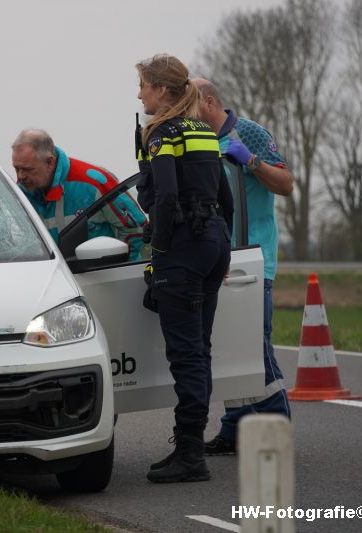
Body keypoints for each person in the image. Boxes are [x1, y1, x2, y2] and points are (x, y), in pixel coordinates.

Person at [135, 54, 233, 483]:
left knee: (186, 354)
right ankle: (191, 445)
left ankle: (190, 455)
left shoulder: (160, 132)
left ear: (160, 89)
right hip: (213, 243)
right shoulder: (203, 130)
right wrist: (223, 250)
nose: (139, 94)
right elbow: (224, 198)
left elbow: (167, 197)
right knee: (201, 351)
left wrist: (158, 251)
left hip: (184, 248)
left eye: (142, 86)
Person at [192, 78, 293, 456]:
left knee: (254, 345)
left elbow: (285, 184)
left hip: (253, 261)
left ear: (210, 101)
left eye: (190, 103)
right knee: (229, 350)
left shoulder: (248, 132)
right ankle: (235, 429)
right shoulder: (198, 139)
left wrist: (251, 161)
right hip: (218, 260)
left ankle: (276, 430)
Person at [11, 129, 145, 258]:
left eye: (27, 169)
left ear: (49, 162)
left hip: (102, 277)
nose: (21, 176)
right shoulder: (19, 192)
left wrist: (118, 269)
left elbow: (137, 228)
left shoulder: (94, 182)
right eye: (16, 169)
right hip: (53, 277)